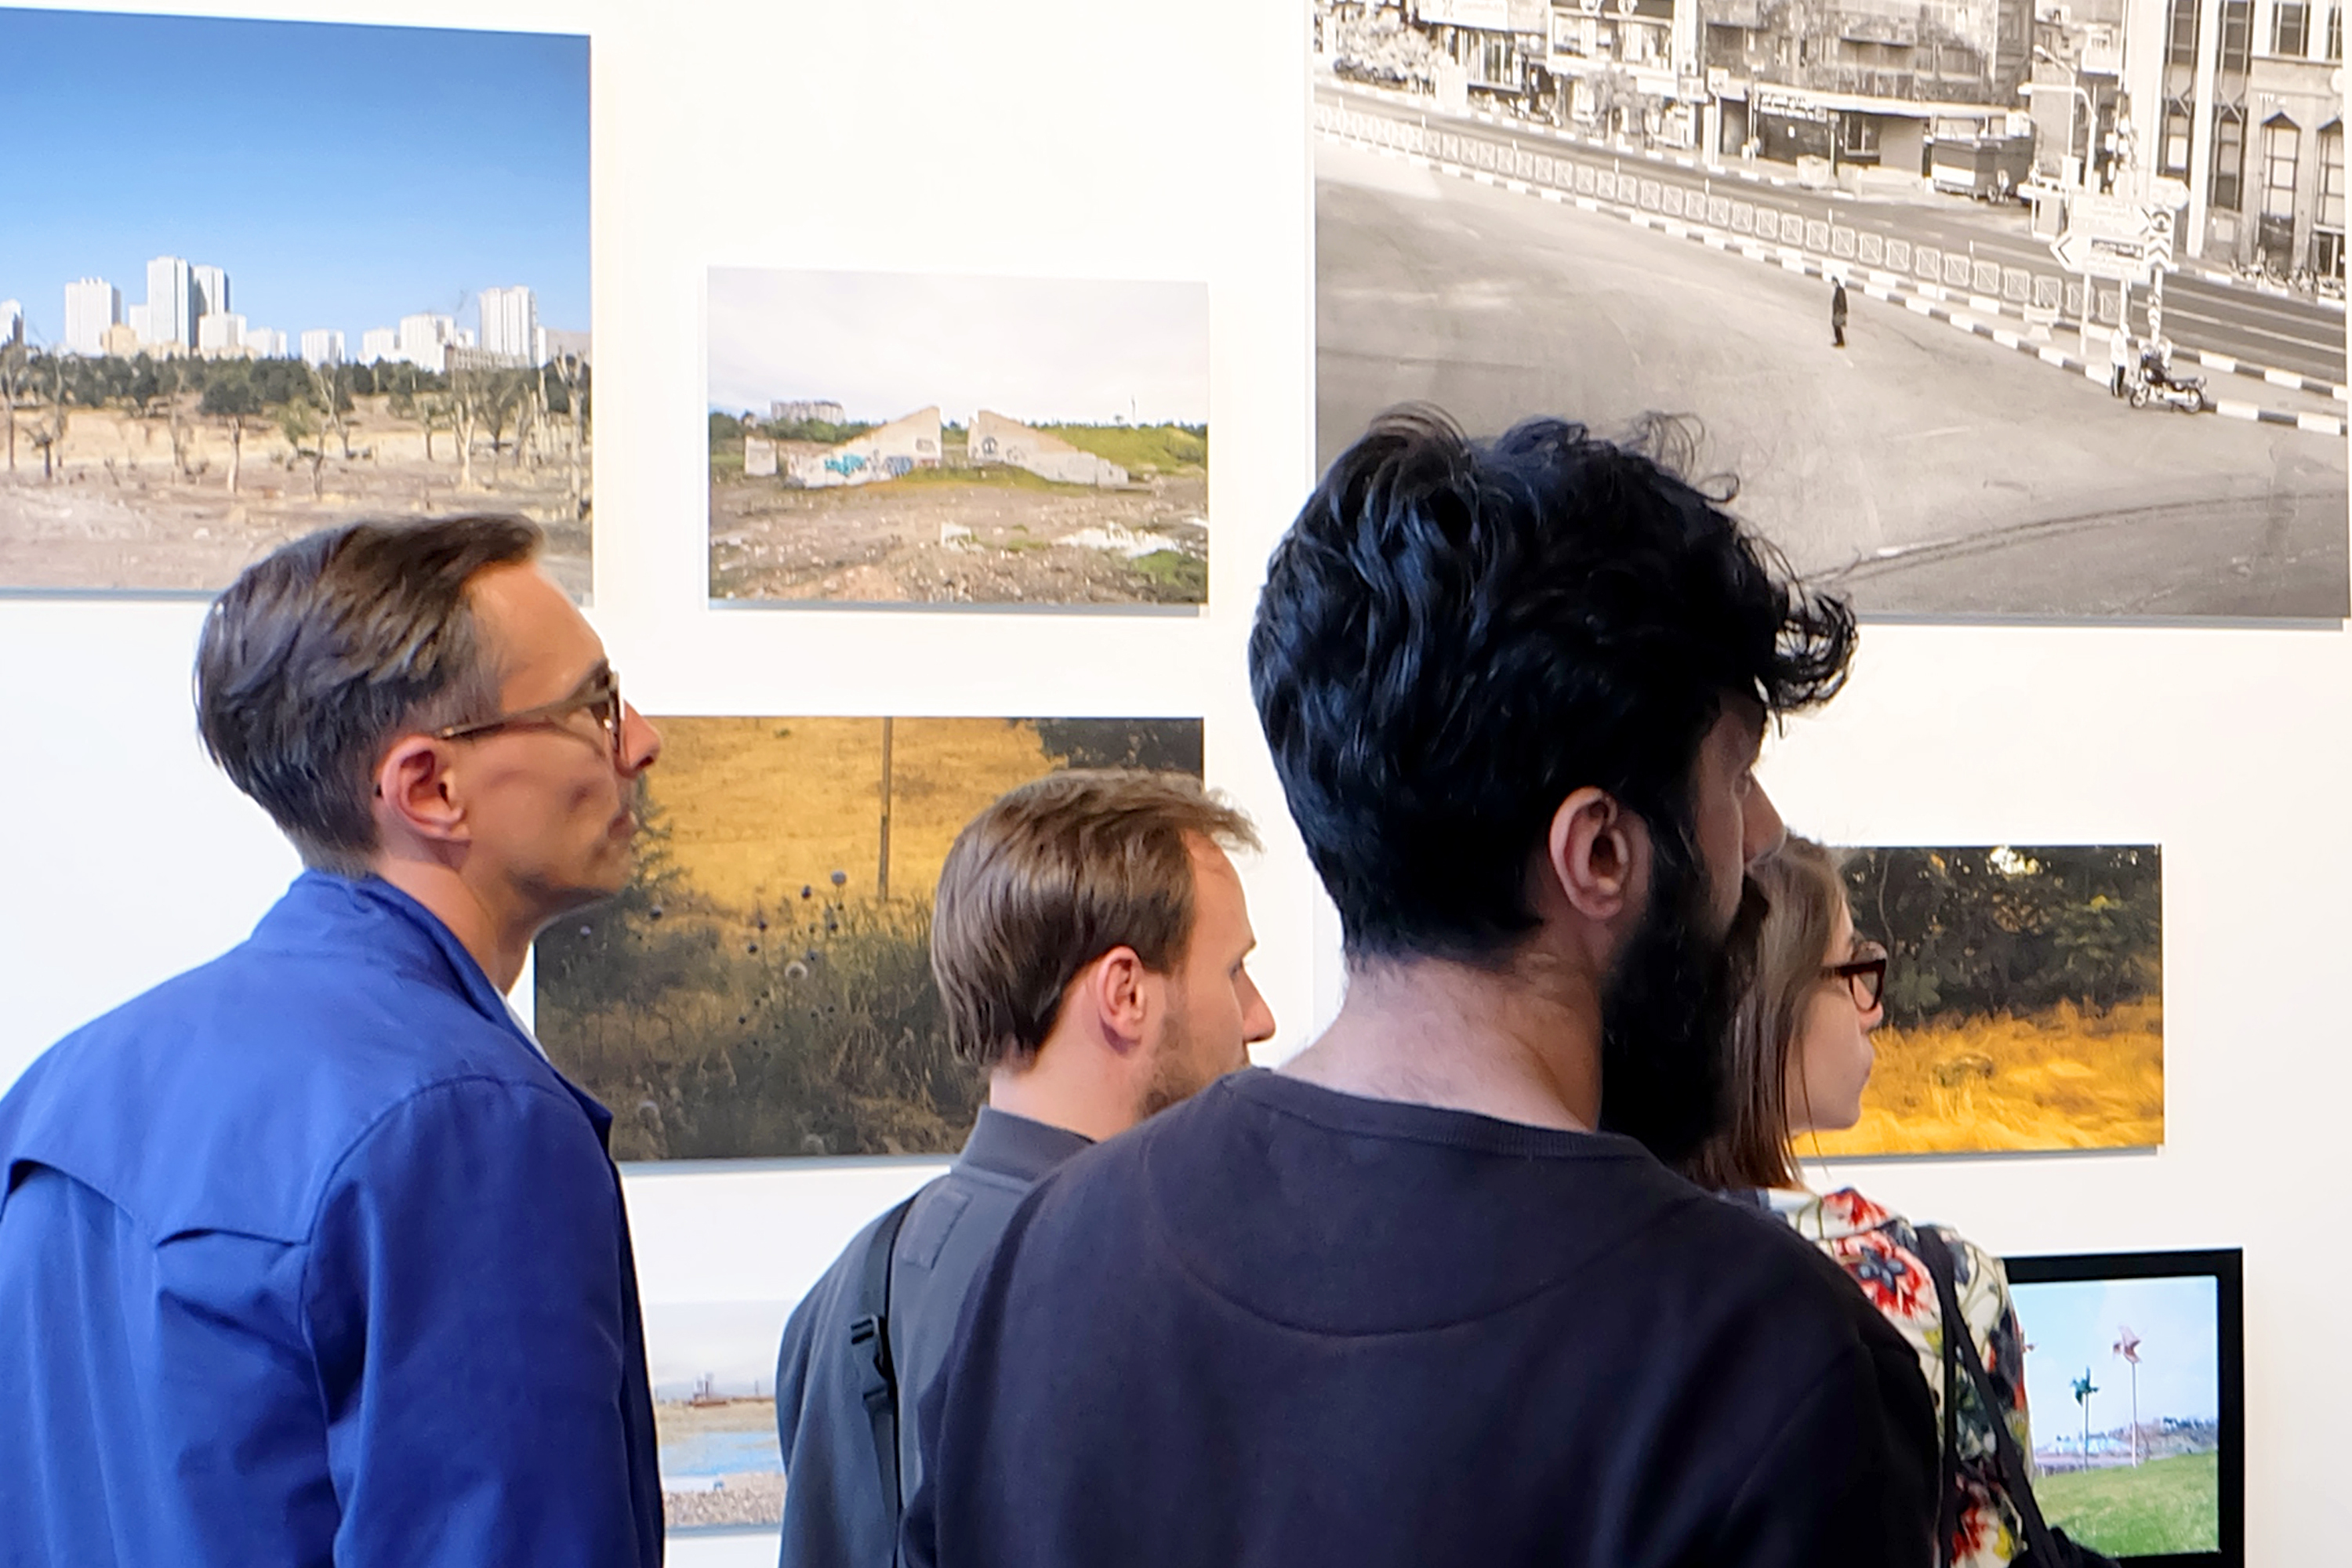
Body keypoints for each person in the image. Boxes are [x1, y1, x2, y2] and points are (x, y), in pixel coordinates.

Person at [902, 408, 1938, 1568]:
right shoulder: (1766, 1368)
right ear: (1599, 852)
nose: (1764, 831)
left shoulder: (1041, 1269)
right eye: (1736, 774)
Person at [0, 516, 666, 1566]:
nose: (640, 741)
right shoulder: (469, 1126)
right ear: (429, 788)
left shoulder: (60, 1089)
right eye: (594, 704)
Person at [775, 769, 1275, 1568]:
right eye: (1234, 971)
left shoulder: (842, 1293)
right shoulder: (1152, 1290)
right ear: (1125, 993)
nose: (1260, 1017)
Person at [1682, 836, 2034, 1567]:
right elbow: (1994, 1547)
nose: (1872, 1011)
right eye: (1852, 970)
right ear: (1775, 1000)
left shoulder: (1592, 1263)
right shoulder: (1948, 1283)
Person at [2109, 324, 2133, 397]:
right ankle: (2116, 392)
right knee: (2117, 376)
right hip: (2117, 359)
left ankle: (2119, 390)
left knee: (2121, 376)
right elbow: (2117, 348)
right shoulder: (2116, 337)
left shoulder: (2123, 336)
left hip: (2122, 360)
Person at [1831, 276, 1849, 348]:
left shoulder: (1840, 290)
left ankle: (1840, 342)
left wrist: (1840, 312)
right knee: (1836, 326)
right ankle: (1839, 341)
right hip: (1838, 312)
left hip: (1839, 312)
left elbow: (1841, 302)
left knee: (1837, 326)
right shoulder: (1838, 290)